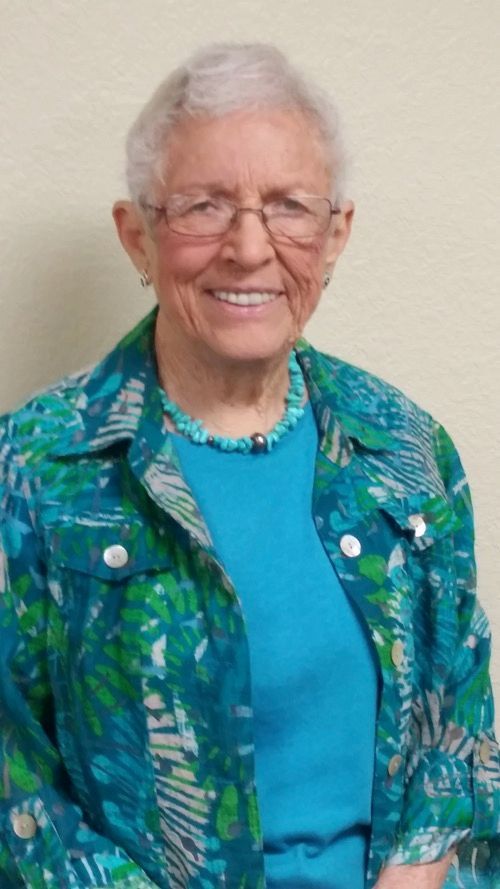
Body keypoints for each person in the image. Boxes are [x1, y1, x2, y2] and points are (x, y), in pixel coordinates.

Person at [0, 42, 498, 889]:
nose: (249, 246)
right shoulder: (38, 467)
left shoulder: (407, 448)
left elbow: (461, 711)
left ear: (335, 235)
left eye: (289, 207)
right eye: (204, 206)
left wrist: (416, 875)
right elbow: (17, 784)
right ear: (138, 236)